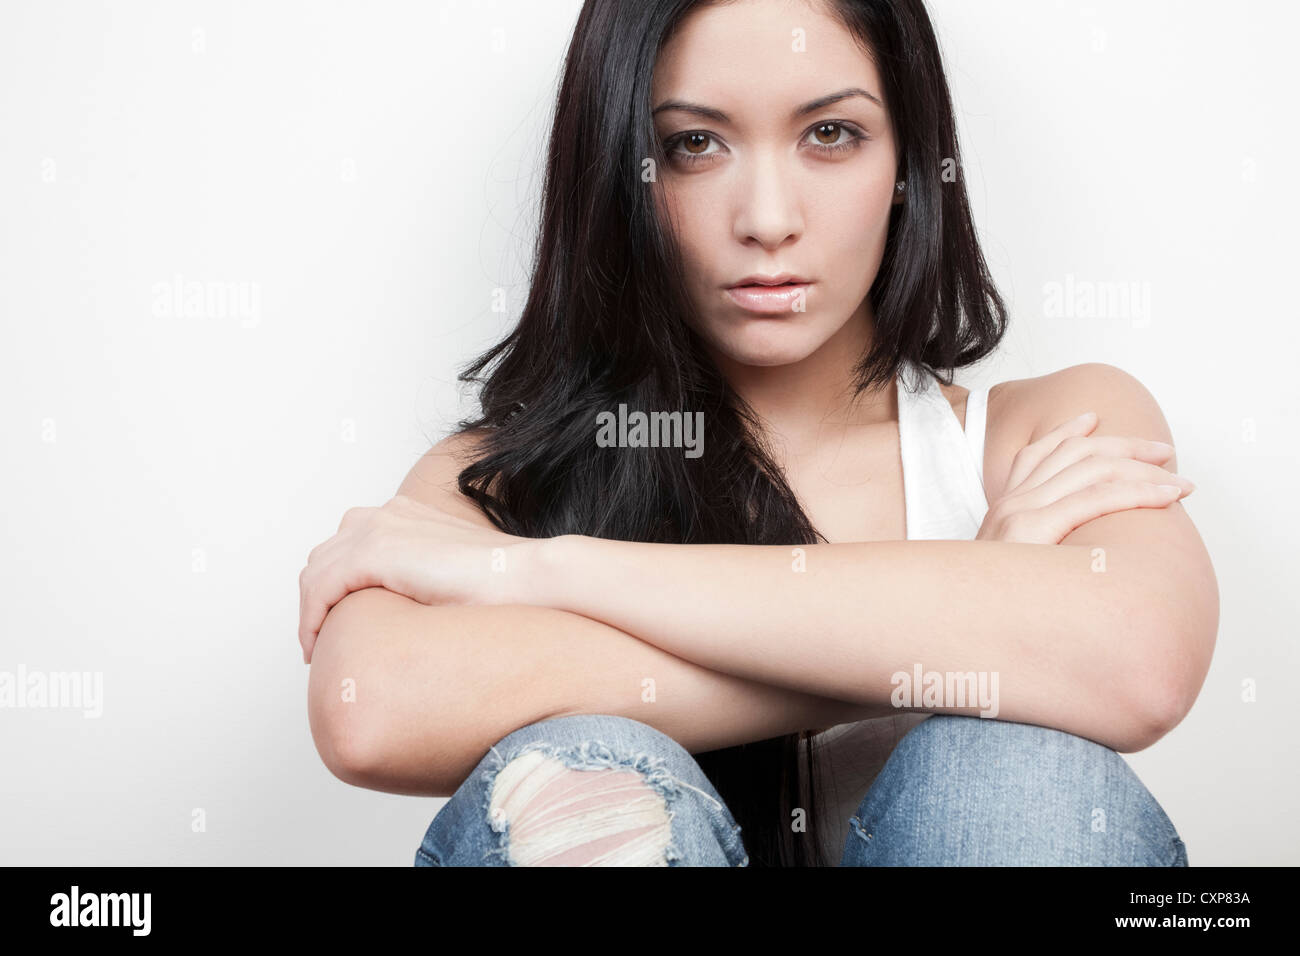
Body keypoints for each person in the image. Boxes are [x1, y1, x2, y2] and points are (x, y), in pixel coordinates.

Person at [297, 0, 1217, 867]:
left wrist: (549, 571)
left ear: (907, 162)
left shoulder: (1044, 435)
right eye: (693, 144)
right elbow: (369, 710)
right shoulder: (501, 478)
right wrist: (971, 628)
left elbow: (1138, 664)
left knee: (1019, 777)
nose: (767, 221)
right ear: (623, 173)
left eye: (831, 134)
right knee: (586, 764)